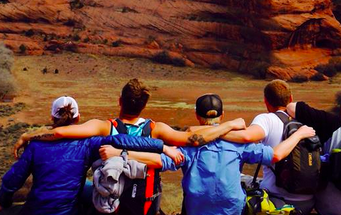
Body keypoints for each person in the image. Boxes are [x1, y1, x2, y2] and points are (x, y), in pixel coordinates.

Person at [99, 93, 316, 215]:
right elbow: (276, 155)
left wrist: (121, 154)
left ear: (197, 116)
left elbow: (158, 161)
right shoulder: (238, 142)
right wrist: (299, 134)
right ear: (221, 116)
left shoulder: (189, 144)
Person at [0, 96, 174, 215]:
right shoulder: (88, 143)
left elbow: (10, 184)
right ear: (77, 118)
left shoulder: (36, 146)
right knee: (89, 194)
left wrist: (5, 203)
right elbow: (123, 140)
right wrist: (162, 147)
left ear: (52, 118)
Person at [14, 78, 244, 157]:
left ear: (120, 101)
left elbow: (61, 132)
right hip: (144, 204)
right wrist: (229, 125)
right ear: (144, 105)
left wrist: (28, 135)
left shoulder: (105, 127)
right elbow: (194, 139)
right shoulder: (157, 129)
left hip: (110, 201)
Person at [222, 79, 316, 215]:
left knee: (240, 179)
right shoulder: (305, 119)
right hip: (308, 202)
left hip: (277, 202)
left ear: (266, 101)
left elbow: (248, 136)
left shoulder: (266, 119)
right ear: (291, 98)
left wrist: (216, 132)